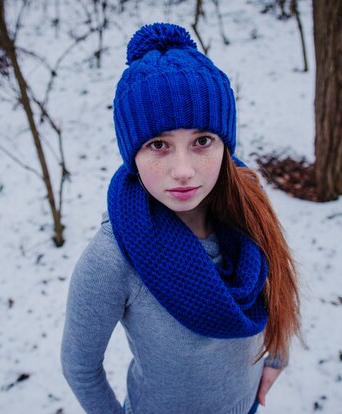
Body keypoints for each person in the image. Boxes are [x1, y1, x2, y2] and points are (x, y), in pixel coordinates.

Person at [61, 23, 301, 414]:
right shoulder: (114, 258)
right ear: (132, 155)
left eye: (202, 141)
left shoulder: (248, 208)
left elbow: (278, 285)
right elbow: (80, 365)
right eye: (159, 145)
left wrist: (277, 356)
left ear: (225, 143)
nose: (184, 170)